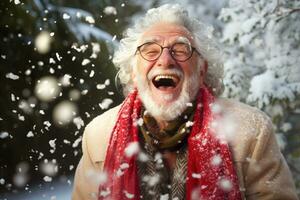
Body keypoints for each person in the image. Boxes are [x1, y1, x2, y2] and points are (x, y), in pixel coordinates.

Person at [72, 4, 298, 200]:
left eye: (181, 50)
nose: (165, 60)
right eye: (150, 51)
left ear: (201, 71)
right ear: (133, 72)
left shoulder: (251, 131)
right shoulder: (99, 134)